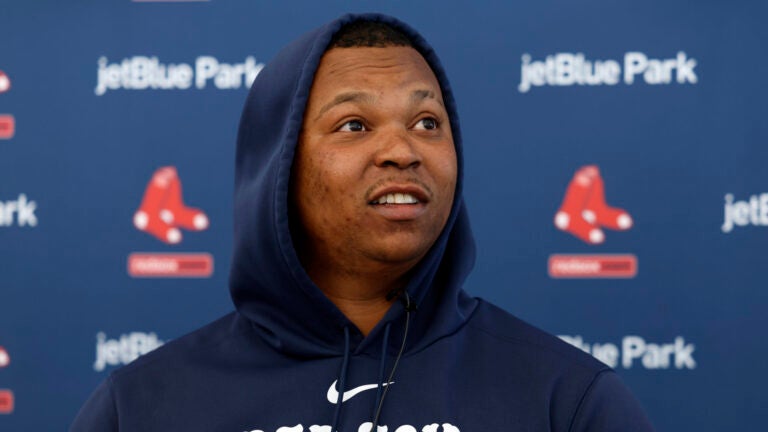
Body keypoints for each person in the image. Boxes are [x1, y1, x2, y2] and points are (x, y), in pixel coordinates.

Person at [71, 13, 655, 432]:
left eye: (427, 122)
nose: (403, 150)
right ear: (280, 167)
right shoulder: (141, 407)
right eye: (354, 125)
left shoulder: (570, 401)